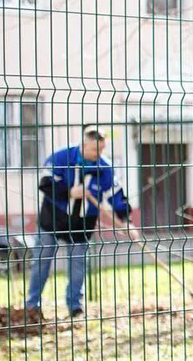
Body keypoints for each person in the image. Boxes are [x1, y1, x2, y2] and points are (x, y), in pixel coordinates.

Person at [25, 125, 138, 319]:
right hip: (53, 219)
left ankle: (75, 307)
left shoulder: (105, 168)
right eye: (95, 149)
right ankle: (32, 305)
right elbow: (45, 183)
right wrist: (68, 192)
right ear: (84, 144)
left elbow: (116, 195)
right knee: (41, 262)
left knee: (78, 264)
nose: (99, 153)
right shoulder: (61, 157)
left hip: (82, 223)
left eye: (102, 149)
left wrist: (125, 221)